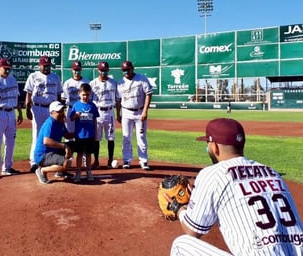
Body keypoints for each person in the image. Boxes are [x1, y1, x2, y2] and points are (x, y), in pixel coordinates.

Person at [170, 118, 303, 256]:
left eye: (208, 143)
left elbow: (192, 230)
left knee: (181, 245)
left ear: (215, 146)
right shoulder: (272, 172)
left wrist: (179, 209)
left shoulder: (212, 174)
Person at [24, 55, 63, 173]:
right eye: (44, 66)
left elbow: (59, 95)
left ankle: (52, 158)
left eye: (48, 66)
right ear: (39, 65)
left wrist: (60, 111)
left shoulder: (55, 77)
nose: (46, 68)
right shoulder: (33, 76)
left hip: (52, 109)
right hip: (37, 107)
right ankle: (34, 162)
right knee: (36, 134)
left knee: (53, 134)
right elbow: (28, 94)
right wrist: (27, 108)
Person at [117, 60, 153, 170]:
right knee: (126, 137)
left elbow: (148, 94)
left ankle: (143, 161)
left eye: (128, 69)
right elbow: (118, 100)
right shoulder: (120, 82)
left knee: (141, 137)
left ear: (132, 68)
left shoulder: (142, 79)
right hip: (126, 112)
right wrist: (118, 114)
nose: (126, 72)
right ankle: (127, 160)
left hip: (139, 111)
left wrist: (145, 111)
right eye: (124, 70)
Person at [33, 101, 76, 184]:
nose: (61, 113)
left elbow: (67, 135)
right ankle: (42, 170)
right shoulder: (50, 123)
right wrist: (64, 146)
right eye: (58, 111)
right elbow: (46, 141)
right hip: (43, 155)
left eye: (62, 111)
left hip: (53, 151)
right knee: (66, 163)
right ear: (52, 112)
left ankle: (60, 172)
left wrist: (79, 133)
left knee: (73, 145)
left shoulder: (60, 122)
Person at [90, 61, 121, 168]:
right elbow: (89, 100)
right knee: (96, 138)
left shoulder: (113, 83)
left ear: (108, 70)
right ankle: (96, 160)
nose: (103, 72)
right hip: (97, 112)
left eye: (105, 70)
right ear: (98, 70)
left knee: (111, 137)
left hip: (109, 112)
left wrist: (118, 114)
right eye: (101, 70)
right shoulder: (92, 83)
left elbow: (117, 100)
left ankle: (110, 160)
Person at [69, 83, 99, 182]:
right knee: (80, 153)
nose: (85, 97)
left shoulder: (92, 106)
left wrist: (95, 133)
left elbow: (95, 120)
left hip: (90, 134)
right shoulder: (76, 105)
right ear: (79, 94)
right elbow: (72, 118)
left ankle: (88, 171)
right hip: (79, 135)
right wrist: (76, 115)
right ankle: (78, 172)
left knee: (89, 154)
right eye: (83, 95)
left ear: (90, 94)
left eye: (87, 94)